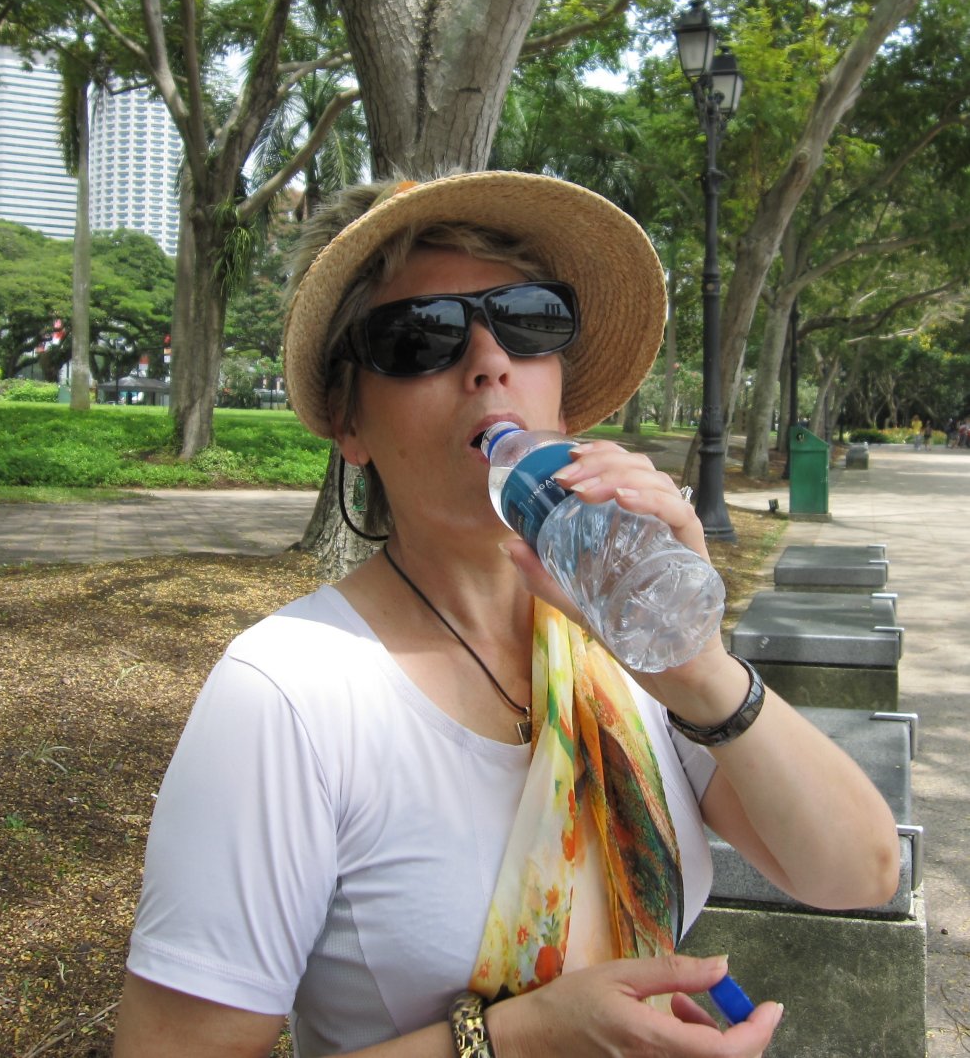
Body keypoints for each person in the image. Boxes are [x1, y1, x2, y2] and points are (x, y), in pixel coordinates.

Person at [112, 172, 900, 1058]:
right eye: (420, 337)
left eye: (526, 320)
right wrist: (510, 1042)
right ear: (350, 426)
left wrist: (696, 664)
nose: (488, 359)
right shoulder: (289, 694)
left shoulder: (619, 639)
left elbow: (858, 872)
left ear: (559, 387)